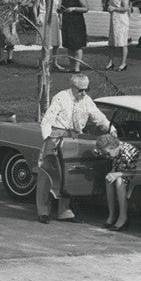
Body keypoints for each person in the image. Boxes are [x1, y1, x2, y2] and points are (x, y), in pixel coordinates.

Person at [37, 74, 115, 224]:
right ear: (73, 87)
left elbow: (98, 116)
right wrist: (48, 139)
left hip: (74, 137)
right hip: (56, 134)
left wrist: (112, 129)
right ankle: (43, 211)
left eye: (87, 89)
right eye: (81, 90)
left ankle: (64, 211)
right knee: (48, 172)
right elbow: (47, 119)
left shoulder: (86, 100)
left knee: (69, 172)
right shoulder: (60, 97)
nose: (84, 93)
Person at [97, 133, 139, 231]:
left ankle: (123, 217)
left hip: (134, 178)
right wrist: (112, 173)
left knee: (119, 180)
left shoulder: (126, 152)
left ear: (113, 147)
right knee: (110, 179)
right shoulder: (117, 151)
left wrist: (117, 174)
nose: (107, 156)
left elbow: (136, 172)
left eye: (107, 153)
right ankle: (112, 215)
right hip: (124, 174)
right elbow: (116, 166)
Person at [58, 0, 88, 72]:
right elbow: (61, 9)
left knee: (77, 45)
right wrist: (60, 10)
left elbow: (86, 8)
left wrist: (74, 8)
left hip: (77, 22)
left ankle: (77, 67)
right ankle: (71, 66)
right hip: (67, 22)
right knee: (69, 46)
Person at [105, 0, 131, 71]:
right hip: (114, 19)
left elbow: (126, 8)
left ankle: (123, 63)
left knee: (122, 41)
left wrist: (114, 9)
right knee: (112, 41)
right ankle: (110, 62)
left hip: (121, 20)